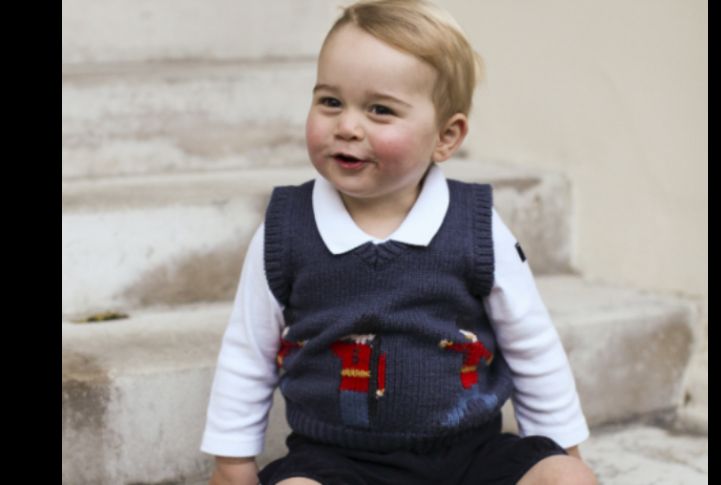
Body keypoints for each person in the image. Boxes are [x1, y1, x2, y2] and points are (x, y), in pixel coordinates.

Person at [201, 1, 598, 484]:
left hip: (469, 455)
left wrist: (565, 450)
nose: (347, 125)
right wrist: (232, 462)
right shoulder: (287, 228)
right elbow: (248, 351)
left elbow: (532, 344)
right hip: (337, 460)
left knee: (568, 479)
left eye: (379, 109)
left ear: (445, 137)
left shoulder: (474, 227)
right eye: (330, 101)